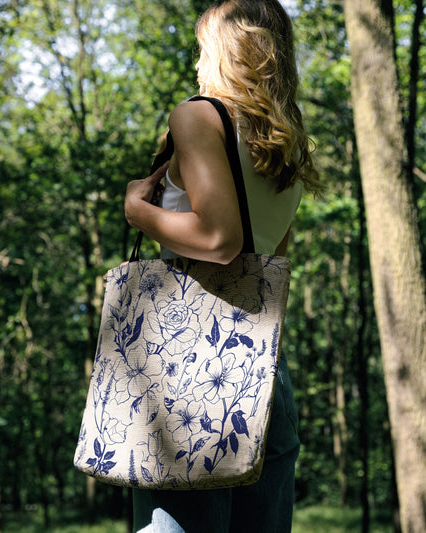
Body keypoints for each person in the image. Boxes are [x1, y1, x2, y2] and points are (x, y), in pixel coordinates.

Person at [124, 1, 322, 531]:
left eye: (203, 44)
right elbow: (275, 259)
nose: (196, 59)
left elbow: (219, 239)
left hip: (188, 378)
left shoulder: (197, 117)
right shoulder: (283, 140)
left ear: (226, 50)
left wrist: (138, 210)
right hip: (263, 372)